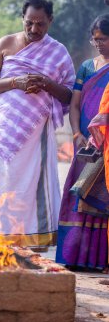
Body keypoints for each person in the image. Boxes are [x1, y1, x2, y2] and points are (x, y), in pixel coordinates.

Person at [0, 0, 75, 247]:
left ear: (50, 21)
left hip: (36, 132)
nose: (34, 29)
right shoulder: (6, 43)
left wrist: (46, 83)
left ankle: (34, 237)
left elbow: (69, 95)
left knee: (32, 184)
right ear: (22, 19)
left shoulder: (58, 52)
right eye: (29, 23)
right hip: (2, 127)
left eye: (40, 24)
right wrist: (15, 82)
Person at [56, 15, 109, 271]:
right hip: (86, 147)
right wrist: (76, 133)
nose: (98, 44)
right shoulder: (88, 67)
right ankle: (75, 257)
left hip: (106, 144)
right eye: (95, 39)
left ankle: (100, 260)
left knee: (103, 196)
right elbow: (75, 105)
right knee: (79, 193)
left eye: (104, 39)